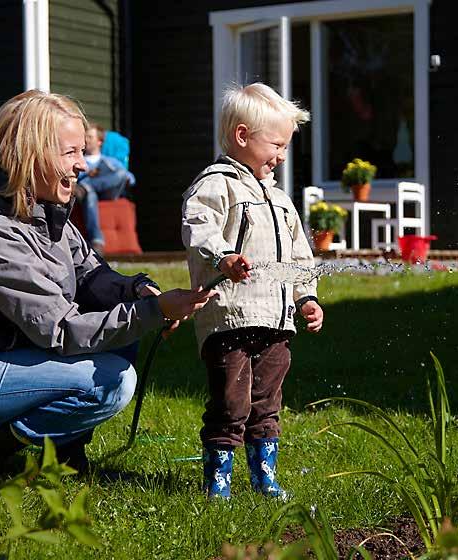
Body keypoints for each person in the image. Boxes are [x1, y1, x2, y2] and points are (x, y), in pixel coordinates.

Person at [0, 90, 215, 491]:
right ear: (29, 155)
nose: (82, 165)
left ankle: (68, 462)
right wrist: (155, 311)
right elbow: (61, 331)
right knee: (110, 380)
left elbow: (93, 278)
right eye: (70, 152)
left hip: (8, 359)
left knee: (120, 341)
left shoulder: (46, 214)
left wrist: (141, 292)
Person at [181, 82, 324, 499]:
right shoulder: (216, 184)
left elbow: (299, 255)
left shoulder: (281, 201)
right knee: (231, 403)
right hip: (231, 318)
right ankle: (219, 481)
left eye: (285, 147)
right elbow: (198, 226)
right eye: (275, 145)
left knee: (267, 402)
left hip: (276, 321)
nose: (281, 156)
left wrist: (306, 297)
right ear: (242, 137)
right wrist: (224, 256)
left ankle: (265, 477)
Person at [75, 122, 135, 254]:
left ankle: (86, 186)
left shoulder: (109, 160)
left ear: (99, 141)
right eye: (85, 137)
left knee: (120, 173)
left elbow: (129, 178)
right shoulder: (80, 161)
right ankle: (97, 241)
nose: (86, 140)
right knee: (89, 192)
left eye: (90, 137)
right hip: (88, 194)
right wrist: (87, 172)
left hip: (108, 192)